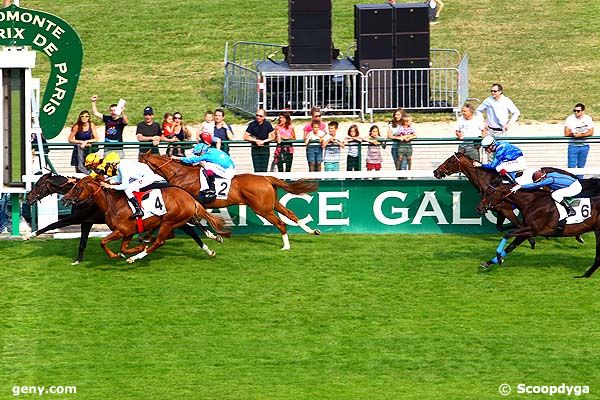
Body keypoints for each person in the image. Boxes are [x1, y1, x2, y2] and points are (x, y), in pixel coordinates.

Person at [98, 152, 168, 218]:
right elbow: (118, 180)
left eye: (109, 164)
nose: (108, 166)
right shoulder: (121, 164)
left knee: (128, 189)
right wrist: (107, 181)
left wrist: (110, 186)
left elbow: (124, 186)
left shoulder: (123, 167)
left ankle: (139, 210)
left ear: (113, 163)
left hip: (147, 177)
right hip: (141, 176)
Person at [512, 169, 582, 235]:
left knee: (555, 195)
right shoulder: (550, 174)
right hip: (573, 184)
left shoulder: (549, 179)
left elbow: (537, 185)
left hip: (575, 187)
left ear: (542, 178)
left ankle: (570, 210)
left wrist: (521, 186)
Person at [564, 103, 594, 175]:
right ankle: (571, 183)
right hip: (573, 146)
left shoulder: (588, 118)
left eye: (578, 111)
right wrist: (574, 135)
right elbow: (566, 133)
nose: (576, 112)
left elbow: (591, 132)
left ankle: (580, 183)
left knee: (581, 167)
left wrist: (581, 135)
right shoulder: (570, 119)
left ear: (583, 111)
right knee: (571, 167)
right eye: (574, 110)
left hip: (584, 146)